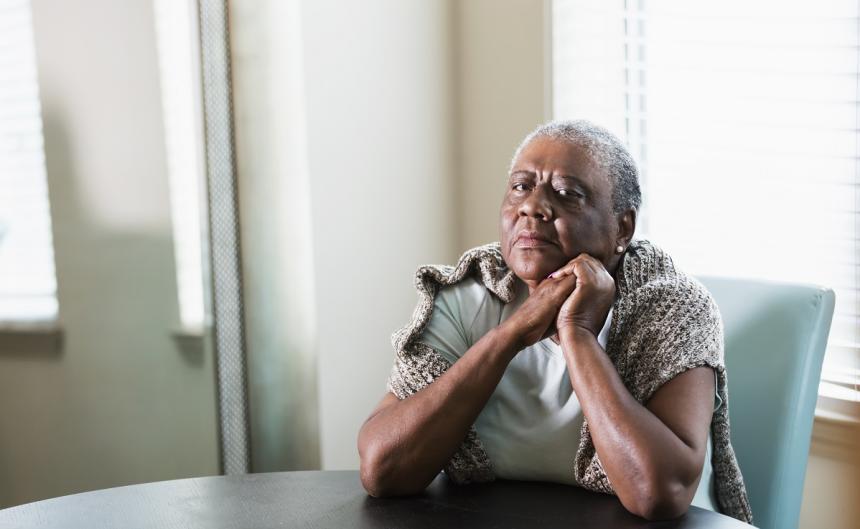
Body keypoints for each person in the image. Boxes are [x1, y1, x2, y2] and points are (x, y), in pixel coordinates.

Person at [356, 120, 752, 523]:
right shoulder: (463, 293)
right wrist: (511, 335)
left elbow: (659, 494)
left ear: (623, 228)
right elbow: (383, 470)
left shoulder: (672, 308)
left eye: (566, 194)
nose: (532, 206)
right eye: (520, 187)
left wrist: (577, 334)